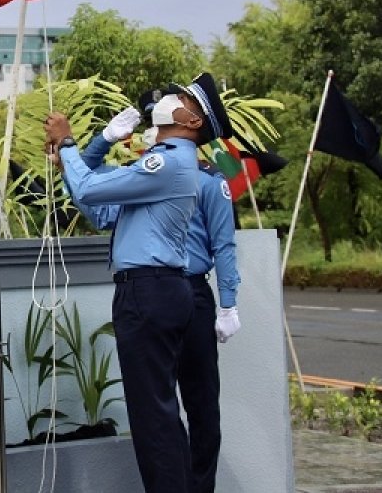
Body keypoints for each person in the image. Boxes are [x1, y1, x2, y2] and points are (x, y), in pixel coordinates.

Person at [42, 72, 233, 493]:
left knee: (155, 419)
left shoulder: (166, 162)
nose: (171, 99)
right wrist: (96, 144)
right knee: (159, 415)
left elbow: (89, 188)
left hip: (150, 291)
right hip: (156, 290)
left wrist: (71, 144)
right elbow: (93, 199)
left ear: (193, 121)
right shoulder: (163, 162)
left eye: (182, 99)